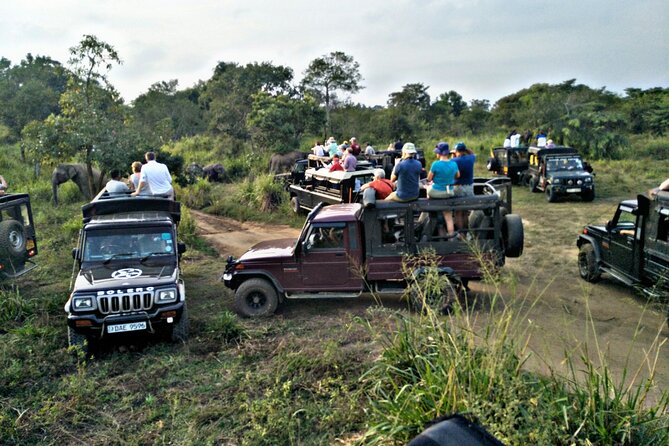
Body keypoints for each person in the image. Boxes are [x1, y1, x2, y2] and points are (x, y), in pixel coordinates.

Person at [427, 142, 460, 237]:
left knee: (428, 189)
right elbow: (458, 175)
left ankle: (430, 208)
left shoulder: (435, 164)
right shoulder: (454, 164)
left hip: (436, 193)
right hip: (449, 192)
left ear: (440, 153)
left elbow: (429, 179)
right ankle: (451, 237)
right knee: (448, 217)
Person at [452, 142, 476, 230]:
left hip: (458, 187)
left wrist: (453, 156)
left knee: (458, 212)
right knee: (465, 212)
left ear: (456, 151)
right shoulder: (471, 159)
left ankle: (461, 233)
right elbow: (472, 153)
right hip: (469, 187)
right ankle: (466, 232)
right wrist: (466, 149)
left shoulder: (454, 161)